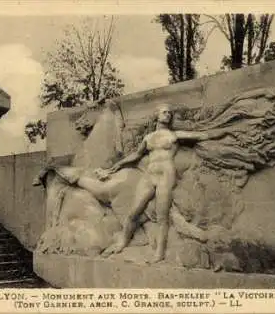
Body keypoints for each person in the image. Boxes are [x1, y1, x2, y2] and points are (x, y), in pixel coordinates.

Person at [36, 103, 233, 264]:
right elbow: (135, 156)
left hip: (166, 175)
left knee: (163, 217)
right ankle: (123, 241)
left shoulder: (174, 135)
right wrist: (114, 168)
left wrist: (226, 130)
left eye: (169, 113)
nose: (168, 115)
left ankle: (159, 254)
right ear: (157, 116)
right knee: (132, 213)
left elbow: (203, 135)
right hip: (148, 175)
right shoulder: (148, 138)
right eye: (164, 112)